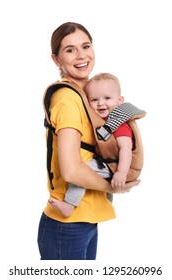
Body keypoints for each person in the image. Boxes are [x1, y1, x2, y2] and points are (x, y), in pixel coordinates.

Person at [37, 22, 140, 260]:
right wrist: (116, 186)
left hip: (86, 220)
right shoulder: (67, 99)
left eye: (86, 46)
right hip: (67, 224)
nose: (81, 55)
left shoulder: (89, 95)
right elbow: (72, 172)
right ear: (56, 60)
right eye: (70, 50)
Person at [49, 73, 133, 217]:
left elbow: (126, 148)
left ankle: (69, 205)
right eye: (94, 100)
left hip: (114, 166)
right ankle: (106, 203)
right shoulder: (101, 121)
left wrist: (121, 172)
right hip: (107, 164)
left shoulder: (118, 125)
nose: (100, 103)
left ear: (120, 101)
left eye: (107, 98)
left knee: (83, 172)